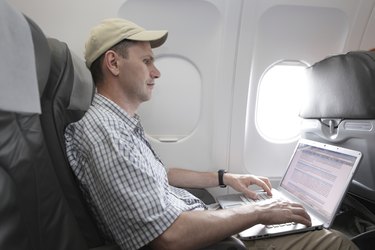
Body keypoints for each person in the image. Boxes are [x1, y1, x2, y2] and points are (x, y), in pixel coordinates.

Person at [64, 18, 358, 250]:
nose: (156, 72)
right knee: (335, 242)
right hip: (195, 239)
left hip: (193, 220)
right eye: (146, 61)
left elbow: (157, 175)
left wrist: (224, 178)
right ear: (113, 63)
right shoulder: (106, 133)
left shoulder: (119, 125)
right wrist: (260, 213)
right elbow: (169, 238)